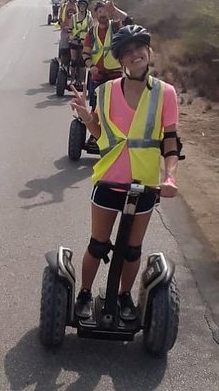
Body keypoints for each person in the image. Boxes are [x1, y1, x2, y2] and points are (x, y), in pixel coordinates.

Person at [69, 25, 181, 321]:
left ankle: (124, 296)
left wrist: (170, 176)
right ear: (120, 60)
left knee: (132, 250)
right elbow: (99, 133)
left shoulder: (166, 94)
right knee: (98, 244)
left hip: (144, 184)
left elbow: (170, 141)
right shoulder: (104, 92)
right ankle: (83, 293)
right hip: (109, 180)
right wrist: (85, 117)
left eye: (139, 48)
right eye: (127, 52)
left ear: (149, 52)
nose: (135, 55)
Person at [82, 0, 133, 111]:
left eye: (105, 11)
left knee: (118, 109)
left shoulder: (116, 27)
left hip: (115, 75)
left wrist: (115, 10)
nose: (103, 14)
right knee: (96, 110)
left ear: (109, 13)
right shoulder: (91, 33)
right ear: (96, 14)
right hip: (97, 77)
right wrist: (91, 66)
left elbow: (129, 21)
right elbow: (85, 53)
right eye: (100, 11)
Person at [68, 0, 92, 85]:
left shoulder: (89, 18)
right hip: (74, 41)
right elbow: (70, 29)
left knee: (82, 62)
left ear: (86, 7)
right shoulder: (74, 17)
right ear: (78, 6)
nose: (82, 7)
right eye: (80, 5)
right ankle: (72, 79)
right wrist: (70, 36)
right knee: (73, 61)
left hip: (84, 42)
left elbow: (91, 30)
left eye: (83, 6)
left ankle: (81, 80)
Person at [57, 0, 79, 68]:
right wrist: (64, 26)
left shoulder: (79, 7)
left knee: (77, 52)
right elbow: (59, 20)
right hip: (65, 31)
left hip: (75, 32)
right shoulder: (64, 6)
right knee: (64, 50)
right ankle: (63, 66)